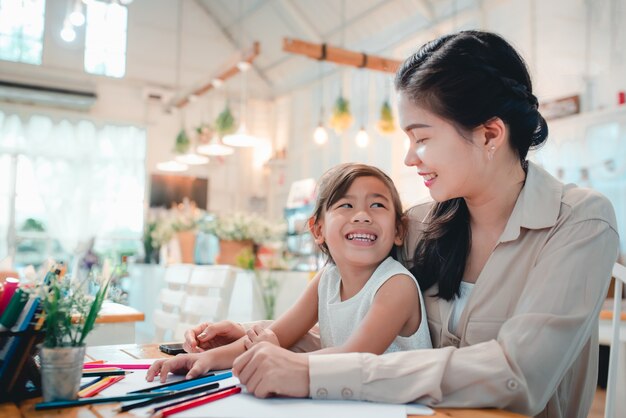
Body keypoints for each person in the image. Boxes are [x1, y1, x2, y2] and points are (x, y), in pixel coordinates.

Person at [181, 30, 620, 418]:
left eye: (422, 138)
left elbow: (517, 376)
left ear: (489, 134)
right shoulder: (417, 224)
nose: (410, 159)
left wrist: (311, 372)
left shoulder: (580, 222)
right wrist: (256, 337)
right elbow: (362, 341)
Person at [147, 163, 432, 383]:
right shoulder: (328, 279)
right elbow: (276, 336)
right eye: (346, 205)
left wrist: (277, 354)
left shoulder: (396, 285)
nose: (362, 215)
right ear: (317, 230)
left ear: (398, 230)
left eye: (378, 205)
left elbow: (354, 357)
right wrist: (203, 360)